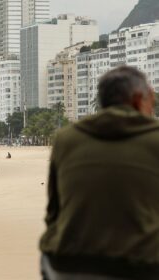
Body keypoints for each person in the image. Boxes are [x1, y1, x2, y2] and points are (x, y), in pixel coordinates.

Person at [40, 66, 159, 280]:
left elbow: (53, 214)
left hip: (67, 265)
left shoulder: (65, 138)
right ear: (138, 99)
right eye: (152, 99)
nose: (153, 107)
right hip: (141, 267)